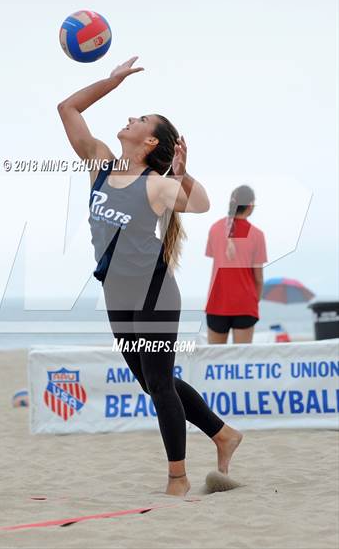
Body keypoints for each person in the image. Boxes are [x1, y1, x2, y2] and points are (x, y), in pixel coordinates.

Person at [57, 56, 242, 497]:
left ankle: (178, 477)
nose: (129, 118)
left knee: (159, 382)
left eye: (139, 119)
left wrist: (181, 173)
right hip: (117, 294)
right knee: (151, 383)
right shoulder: (99, 162)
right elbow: (67, 109)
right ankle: (222, 434)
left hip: (155, 295)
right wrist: (112, 81)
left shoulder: (156, 184)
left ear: (150, 140)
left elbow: (200, 204)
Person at [205, 185, 268, 344]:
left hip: (217, 302)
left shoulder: (215, 229)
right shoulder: (257, 235)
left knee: (215, 361)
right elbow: (259, 278)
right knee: (242, 362)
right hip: (245, 303)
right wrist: (255, 300)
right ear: (250, 205)